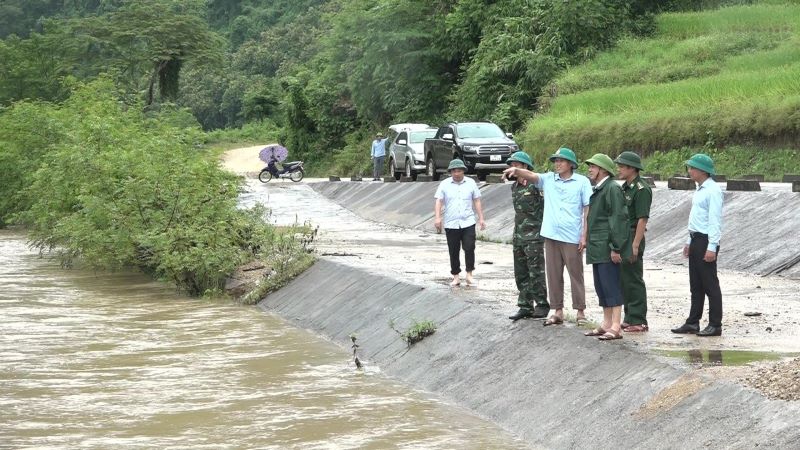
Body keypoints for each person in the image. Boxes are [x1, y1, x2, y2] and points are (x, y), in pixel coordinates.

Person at [502, 147, 593, 326]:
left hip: (572, 235)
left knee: (576, 274)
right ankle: (557, 310)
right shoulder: (549, 179)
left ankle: (580, 311)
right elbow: (534, 176)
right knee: (553, 275)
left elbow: (587, 209)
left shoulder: (581, 182)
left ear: (571, 164)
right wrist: (516, 170)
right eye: (555, 161)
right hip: (551, 235)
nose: (557, 164)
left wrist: (584, 235)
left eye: (561, 161)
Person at [671, 153, 724, 337]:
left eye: (692, 167)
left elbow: (714, 221)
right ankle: (693, 322)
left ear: (703, 170)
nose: (689, 170)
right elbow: (696, 218)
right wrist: (688, 241)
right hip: (695, 238)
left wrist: (712, 246)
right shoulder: (699, 189)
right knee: (696, 284)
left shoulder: (713, 190)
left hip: (705, 240)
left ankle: (715, 324)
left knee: (710, 284)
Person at [582, 154, 630, 340]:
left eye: (593, 166)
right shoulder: (600, 189)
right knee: (601, 285)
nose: (590, 169)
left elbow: (618, 219)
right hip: (597, 246)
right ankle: (606, 322)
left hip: (606, 245)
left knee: (611, 285)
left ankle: (616, 325)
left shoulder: (611, 189)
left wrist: (616, 247)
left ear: (602, 169)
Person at [505, 152, 550, 321]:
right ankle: (525, 305)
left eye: (516, 165)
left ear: (524, 167)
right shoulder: (515, 187)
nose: (513, 168)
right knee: (521, 272)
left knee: (536, 272)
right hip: (519, 235)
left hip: (534, 235)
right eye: (511, 165)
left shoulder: (535, 186)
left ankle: (541, 304)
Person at [614, 151, 652, 333]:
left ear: (632, 168)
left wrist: (635, 245)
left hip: (632, 237)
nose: (619, 169)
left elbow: (642, 220)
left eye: (622, 166)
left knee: (634, 279)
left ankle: (639, 320)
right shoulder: (625, 187)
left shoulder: (641, 189)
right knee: (624, 279)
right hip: (623, 237)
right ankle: (629, 317)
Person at [434, 159, 486, 287]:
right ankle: (456, 276)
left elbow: (477, 200)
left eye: (459, 171)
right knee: (453, 250)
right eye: (454, 171)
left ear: (463, 171)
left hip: (468, 221)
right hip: (451, 223)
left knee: (469, 247)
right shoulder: (444, 184)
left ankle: (469, 274)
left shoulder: (471, 183)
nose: (457, 173)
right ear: (451, 172)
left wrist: (481, 218)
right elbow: (439, 201)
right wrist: (437, 218)